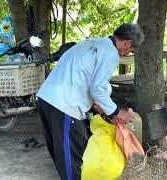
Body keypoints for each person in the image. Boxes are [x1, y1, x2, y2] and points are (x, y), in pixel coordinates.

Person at [36, 23, 144, 180]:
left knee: (61, 154)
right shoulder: (111, 53)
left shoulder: (92, 43)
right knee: (71, 159)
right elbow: (97, 88)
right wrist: (115, 112)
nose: (127, 54)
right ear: (127, 43)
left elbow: (87, 80)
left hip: (46, 99)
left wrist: (98, 105)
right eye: (130, 51)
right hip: (65, 105)